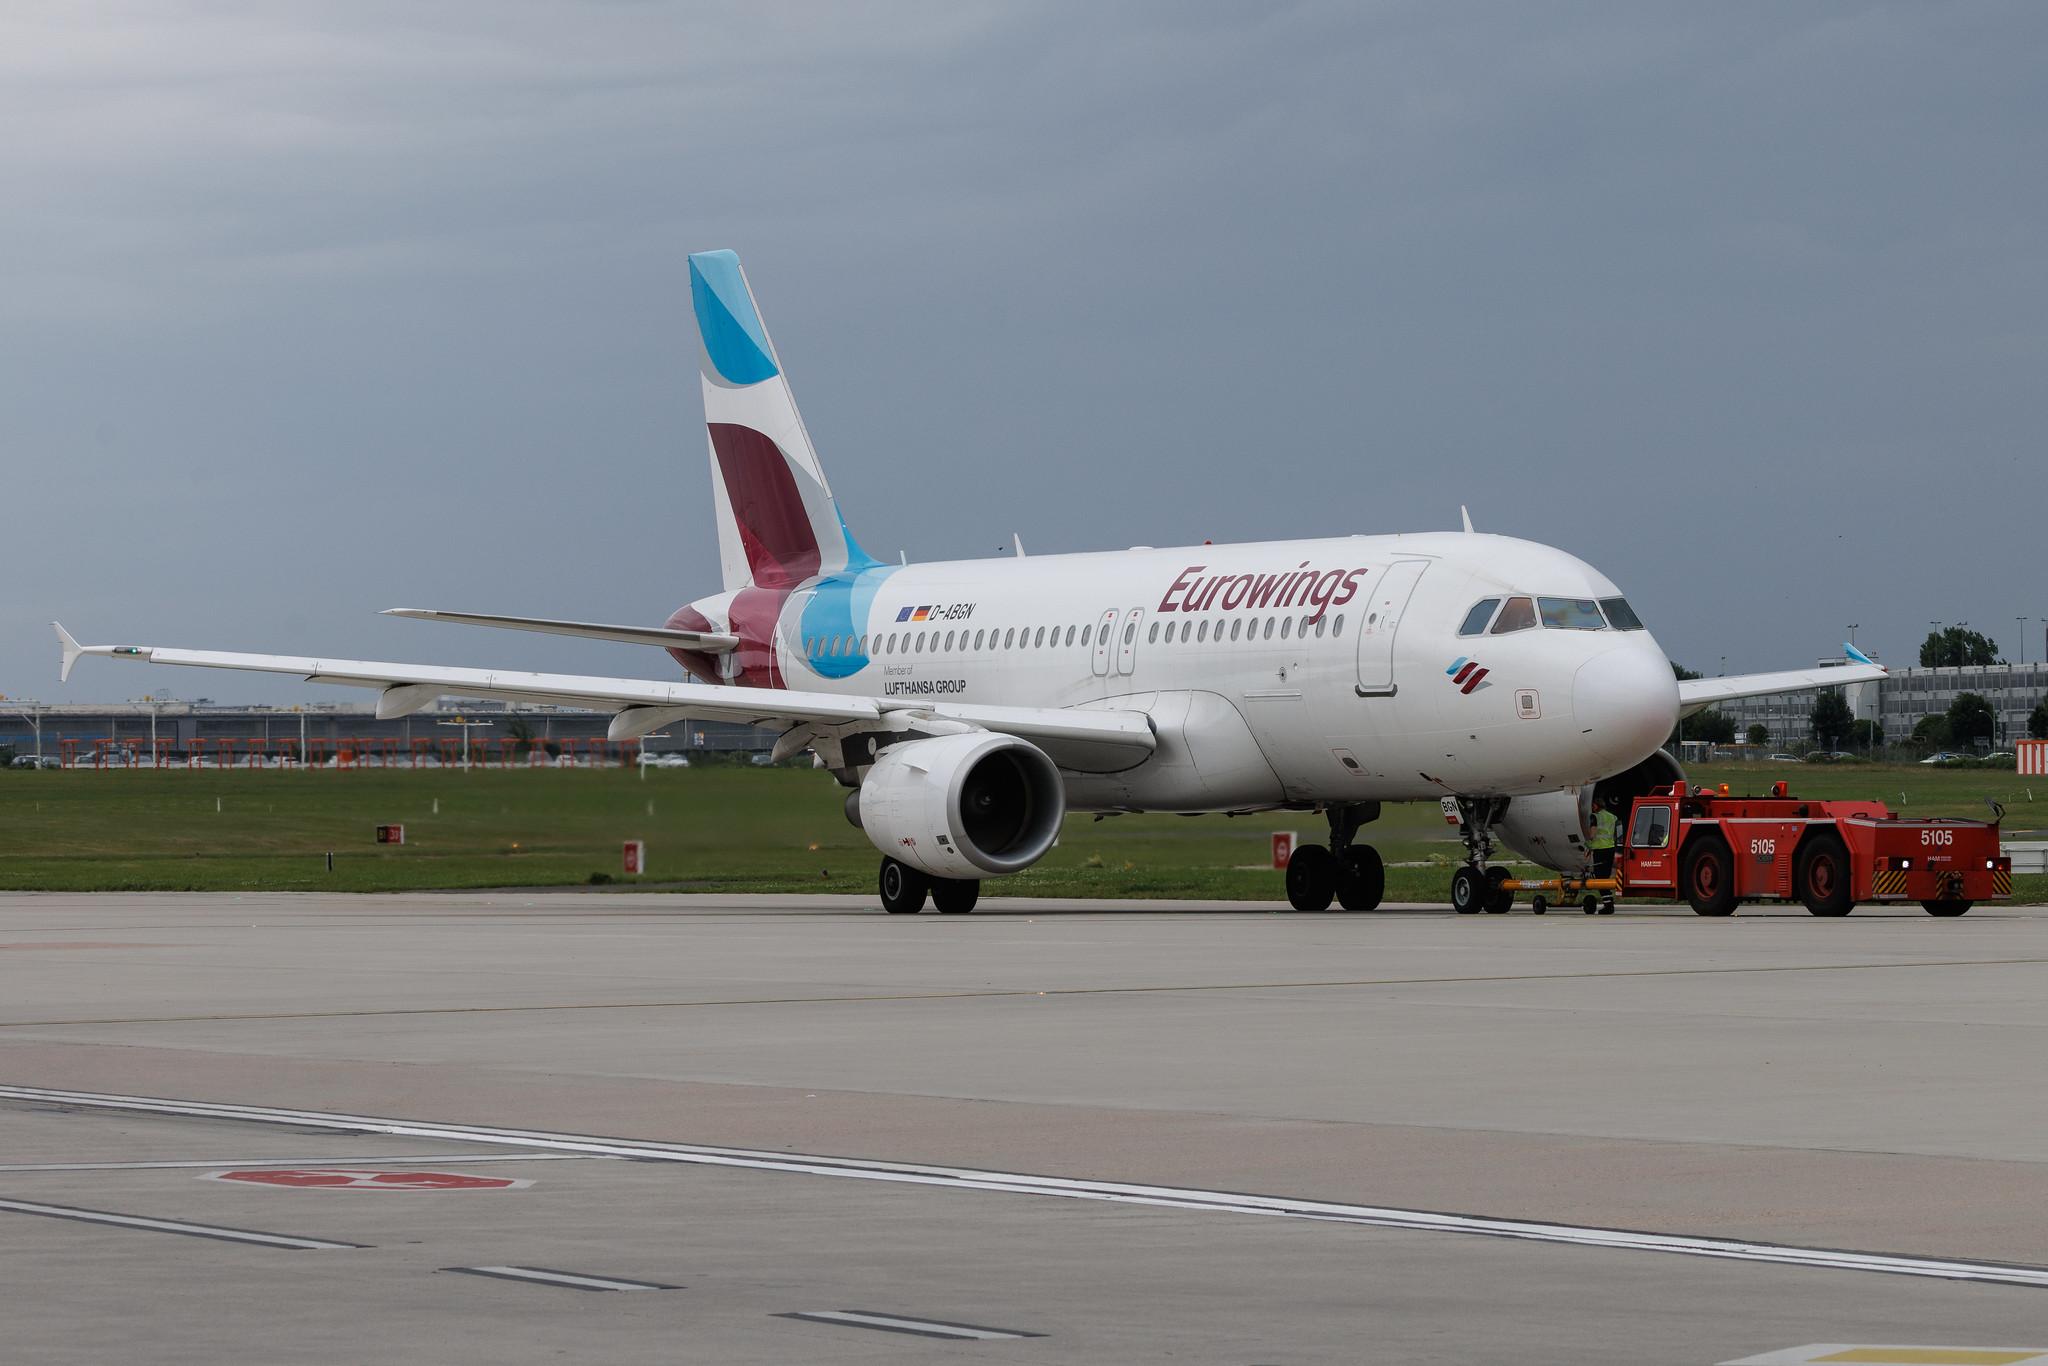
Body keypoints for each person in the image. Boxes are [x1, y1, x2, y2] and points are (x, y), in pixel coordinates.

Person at [1587, 797, 1619, 914]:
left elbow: (1593, 833)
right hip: (1610, 849)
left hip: (1600, 850)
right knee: (1605, 877)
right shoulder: (1612, 817)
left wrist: (1588, 844)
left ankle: (1608, 905)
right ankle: (1609, 903)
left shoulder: (1595, 817)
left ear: (1596, 805)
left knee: (1599, 878)